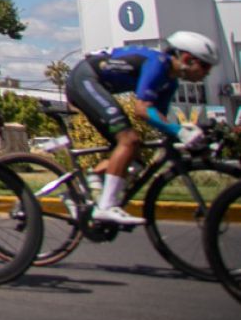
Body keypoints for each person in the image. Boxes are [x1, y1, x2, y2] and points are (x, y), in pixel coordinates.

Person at [64, 30, 218, 225]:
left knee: (135, 159)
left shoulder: (170, 82)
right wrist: (180, 132)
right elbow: (142, 110)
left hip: (96, 84)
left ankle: (78, 190)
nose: (208, 72)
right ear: (187, 58)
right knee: (129, 140)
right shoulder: (158, 64)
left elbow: (158, 119)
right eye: (205, 66)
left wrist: (189, 137)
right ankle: (105, 207)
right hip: (84, 79)